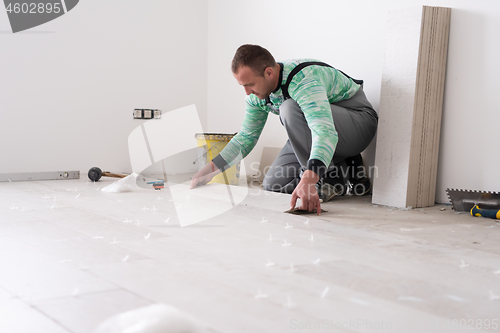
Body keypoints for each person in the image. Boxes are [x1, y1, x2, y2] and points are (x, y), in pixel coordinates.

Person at [190, 44, 378, 215]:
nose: (247, 92)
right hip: (318, 131)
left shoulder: (303, 80)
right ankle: (346, 166)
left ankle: (331, 178)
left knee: (289, 108)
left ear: (269, 73)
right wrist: (208, 171)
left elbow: (324, 131)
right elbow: (246, 137)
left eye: (250, 85)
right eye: (242, 86)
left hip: (358, 123)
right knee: (273, 185)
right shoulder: (257, 96)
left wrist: (308, 181)